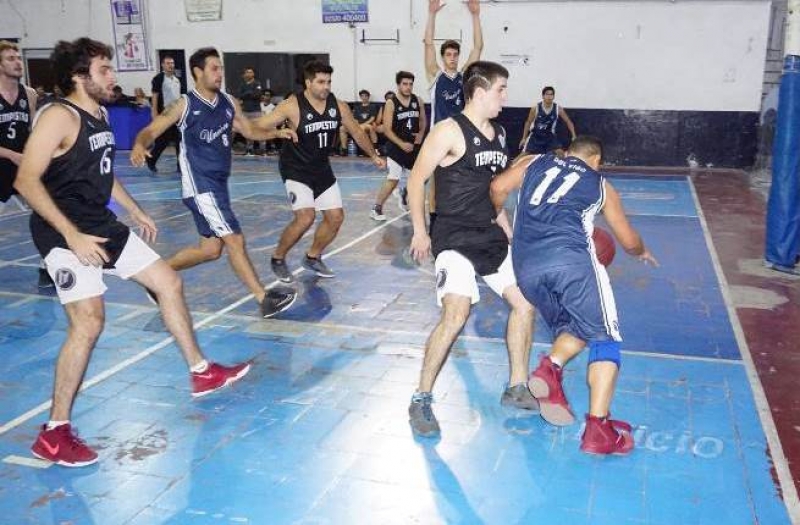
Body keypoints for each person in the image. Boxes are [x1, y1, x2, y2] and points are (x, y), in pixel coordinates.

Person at [14, 38, 252, 467]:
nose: (113, 77)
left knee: (169, 281)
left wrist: (136, 209)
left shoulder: (100, 114)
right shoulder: (57, 116)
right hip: (61, 232)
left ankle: (200, 372)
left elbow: (103, 173)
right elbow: (27, 182)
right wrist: (71, 236)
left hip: (100, 225)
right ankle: (54, 431)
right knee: (89, 323)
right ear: (78, 76)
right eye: (104, 70)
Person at [490, 135, 659, 455]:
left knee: (578, 326)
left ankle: (551, 372)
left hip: (526, 267)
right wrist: (641, 251)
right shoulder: (600, 184)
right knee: (605, 337)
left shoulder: (532, 162)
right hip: (571, 260)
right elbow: (626, 240)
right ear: (596, 160)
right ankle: (598, 427)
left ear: (568, 153)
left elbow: (498, 189)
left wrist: (497, 221)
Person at [406, 61, 537, 438]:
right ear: (480, 93)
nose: (505, 97)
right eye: (501, 90)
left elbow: (494, 190)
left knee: (525, 305)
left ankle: (516, 386)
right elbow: (417, 180)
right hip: (454, 236)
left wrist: (507, 227)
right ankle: (421, 398)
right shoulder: (448, 130)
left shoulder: (498, 135)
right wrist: (419, 231)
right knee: (456, 313)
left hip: (488, 233)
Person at [131, 47, 298, 319]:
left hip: (217, 185)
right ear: (198, 71)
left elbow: (249, 130)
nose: (220, 73)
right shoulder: (184, 104)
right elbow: (152, 129)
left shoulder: (229, 102)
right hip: (201, 185)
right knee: (234, 239)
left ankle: (154, 278)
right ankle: (263, 298)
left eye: (220, 68)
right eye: (214, 68)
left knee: (210, 250)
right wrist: (140, 145)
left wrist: (277, 132)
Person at [254, 61, 386, 283]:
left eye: (329, 82)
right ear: (308, 83)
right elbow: (258, 125)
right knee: (306, 217)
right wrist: (277, 133)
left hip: (321, 167)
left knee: (335, 218)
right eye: (321, 82)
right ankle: (278, 258)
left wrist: (373, 155)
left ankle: (312, 257)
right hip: (295, 168)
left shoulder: (339, 106)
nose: (326, 87)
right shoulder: (291, 106)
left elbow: (356, 131)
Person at [424, 0, 483, 231]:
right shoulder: (434, 75)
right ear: (443, 56)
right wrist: (431, 14)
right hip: (438, 137)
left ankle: (462, 217)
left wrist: (475, 16)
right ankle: (434, 222)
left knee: (464, 180)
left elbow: (478, 48)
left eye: (455, 54)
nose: (452, 57)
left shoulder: (464, 77)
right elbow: (428, 43)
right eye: (448, 54)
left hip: (461, 137)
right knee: (436, 183)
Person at [0, 41, 52, 288]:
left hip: (22, 166)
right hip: (4, 163)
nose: (17, 62)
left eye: (18, 57)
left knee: (46, 211)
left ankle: (47, 266)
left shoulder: (29, 94)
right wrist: (11, 154)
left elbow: (32, 131)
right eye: (10, 58)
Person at [370, 71, 426, 220]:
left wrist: (420, 134)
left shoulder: (417, 101)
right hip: (396, 146)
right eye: (405, 84)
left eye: (410, 84)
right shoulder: (391, 103)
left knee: (421, 178)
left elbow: (422, 121)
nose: (408, 87)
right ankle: (377, 208)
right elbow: (387, 130)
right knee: (394, 178)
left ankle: (404, 193)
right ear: (398, 85)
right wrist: (401, 144)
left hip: (412, 146)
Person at [148, 55, 185, 173]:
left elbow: (179, 98)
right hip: (164, 114)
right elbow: (155, 96)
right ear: (163, 65)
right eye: (168, 63)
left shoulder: (176, 80)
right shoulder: (159, 78)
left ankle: (181, 165)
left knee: (180, 140)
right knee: (162, 141)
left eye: (172, 63)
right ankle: (151, 160)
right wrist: (154, 113)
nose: (171, 65)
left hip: (177, 115)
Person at [519, 86, 577, 156]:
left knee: (561, 154)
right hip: (535, 136)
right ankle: (511, 166)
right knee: (522, 156)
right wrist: (524, 138)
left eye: (551, 94)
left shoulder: (558, 109)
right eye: (547, 94)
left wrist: (574, 135)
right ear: (543, 96)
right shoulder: (535, 108)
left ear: (553, 96)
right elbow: (528, 122)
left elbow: (568, 121)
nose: (549, 96)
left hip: (549, 137)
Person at [339, 89, 378, 156]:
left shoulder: (372, 106)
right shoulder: (357, 107)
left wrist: (364, 124)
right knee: (342, 128)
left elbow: (372, 118)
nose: (364, 97)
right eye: (362, 96)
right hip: (358, 125)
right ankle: (344, 149)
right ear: (360, 97)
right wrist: (355, 125)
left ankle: (375, 148)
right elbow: (355, 119)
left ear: (368, 97)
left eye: (365, 96)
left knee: (368, 127)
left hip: (367, 124)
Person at [238, 67, 263, 156]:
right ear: (244, 75)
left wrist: (248, 94)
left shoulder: (257, 83)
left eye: (250, 72)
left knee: (259, 129)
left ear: (253, 74)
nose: (249, 74)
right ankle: (249, 148)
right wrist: (249, 93)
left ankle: (262, 148)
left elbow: (258, 94)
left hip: (256, 111)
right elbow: (240, 95)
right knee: (247, 130)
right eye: (247, 72)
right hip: (245, 111)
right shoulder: (242, 85)